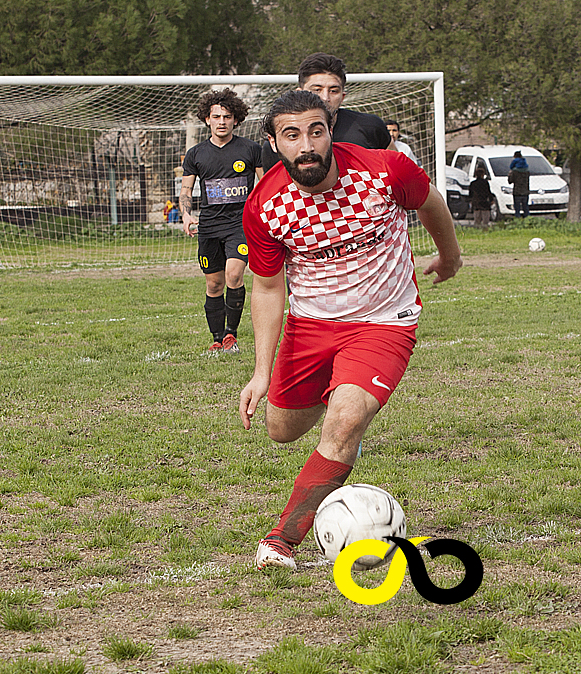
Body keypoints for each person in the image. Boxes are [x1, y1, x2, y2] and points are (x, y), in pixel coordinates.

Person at [238, 91, 462, 570]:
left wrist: (450, 256)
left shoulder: (385, 170)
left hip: (384, 321)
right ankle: (341, 406)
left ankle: (282, 539)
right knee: (281, 430)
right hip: (311, 324)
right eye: (291, 135)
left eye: (316, 131)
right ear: (274, 143)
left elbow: (431, 204)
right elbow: (268, 289)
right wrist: (260, 371)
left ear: (331, 130)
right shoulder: (264, 206)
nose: (307, 146)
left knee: (342, 424)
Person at [180, 88, 262, 353]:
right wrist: (186, 213)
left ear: (236, 119)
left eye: (227, 116)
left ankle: (231, 336)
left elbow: (263, 185)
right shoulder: (196, 154)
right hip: (209, 226)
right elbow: (185, 190)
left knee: (234, 275)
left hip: (240, 224)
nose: (222, 121)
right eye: (216, 116)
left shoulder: (251, 149)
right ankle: (216, 339)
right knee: (213, 283)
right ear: (207, 119)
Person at [257, 53, 394, 180]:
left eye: (333, 91)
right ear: (300, 92)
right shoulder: (278, 142)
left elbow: (397, 172)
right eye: (317, 90)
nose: (325, 97)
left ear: (342, 96)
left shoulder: (370, 126)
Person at [508, 151, 531, 218]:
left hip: (517, 192)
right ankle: (528, 219)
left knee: (517, 208)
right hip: (525, 191)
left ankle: (517, 219)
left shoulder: (515, 171)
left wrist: (510, 175)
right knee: (525, 207)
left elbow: (510, 181)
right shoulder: (527, 171)